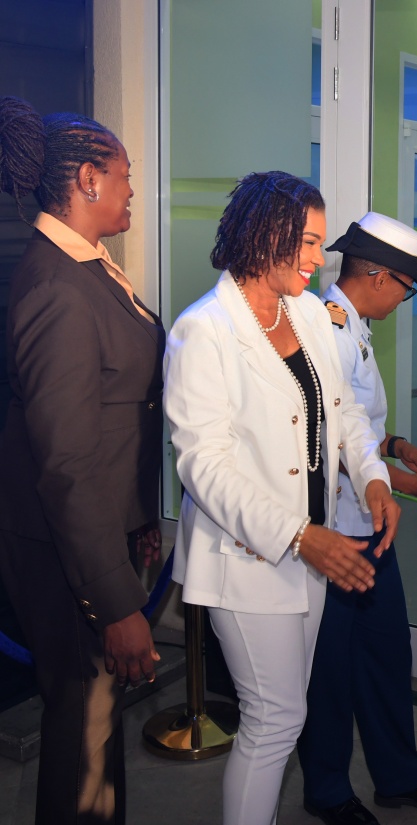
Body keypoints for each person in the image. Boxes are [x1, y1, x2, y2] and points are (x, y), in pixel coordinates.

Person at [163, 172, 401, 825]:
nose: (318, 260)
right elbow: (204, 466)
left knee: (286, 711)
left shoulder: (307, 314)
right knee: (275, 718)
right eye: (308, 242)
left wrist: (373, 477)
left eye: (320, 243)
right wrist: (299, 534)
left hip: (308, 553)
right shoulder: (203, 330)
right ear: (264, 233)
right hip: (248, 558)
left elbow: (344, 411)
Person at [0, 97, 163, 825]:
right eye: (124, 174)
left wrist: (140, 517)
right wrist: (117, 602)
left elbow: (118, 413)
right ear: (88, 179)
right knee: (85, 732)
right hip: (63, 546)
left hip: (98, 530)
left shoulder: (87, 267)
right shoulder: (57, 287)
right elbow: (66, 462)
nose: (132, 187)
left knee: (94, 726)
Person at [296, 212, 417, 824]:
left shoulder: (353, 324)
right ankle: (326, 791)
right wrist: (413, 485)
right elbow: (326, 447)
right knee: (330, 670)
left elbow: (357, 421)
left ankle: (399, 775)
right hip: (336, 533)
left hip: (369, 528)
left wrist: (396, 446)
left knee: (387, 655)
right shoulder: (326, 330)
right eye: (405, 286)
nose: (405, 298)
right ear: (377, 275)